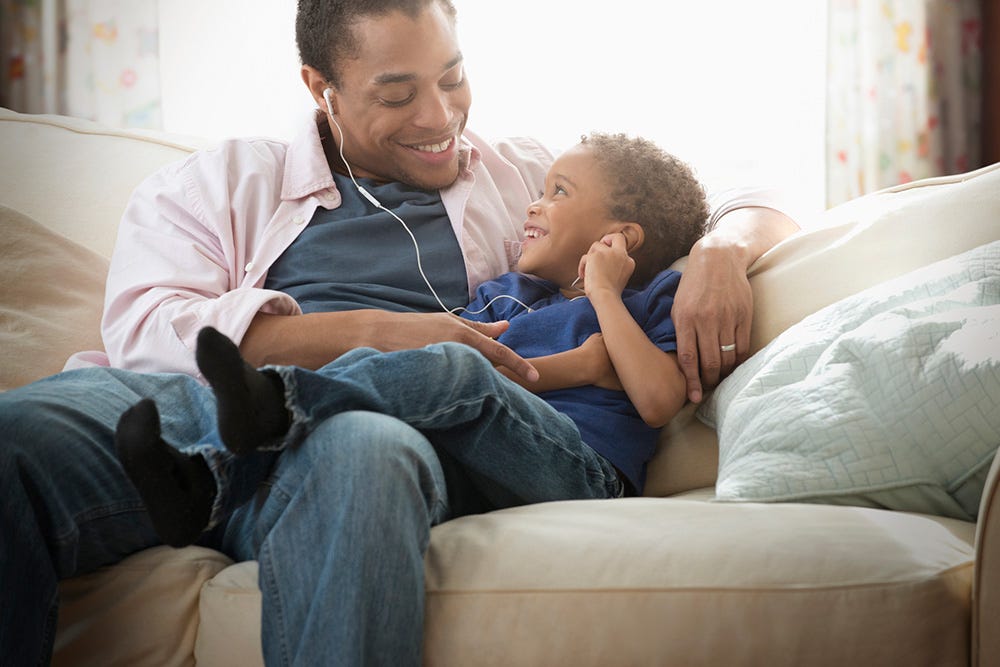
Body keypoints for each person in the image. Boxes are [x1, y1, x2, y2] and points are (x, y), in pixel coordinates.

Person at [0, 1, 800, 665]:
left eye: (452, 78)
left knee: (366, 453)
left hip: (361, 430)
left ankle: (215, 474)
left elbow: (723, 191)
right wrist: (389, 330)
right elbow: (148, 332)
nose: (439, 117)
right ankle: (212, 459)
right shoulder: (221, 182)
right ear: (323, 88)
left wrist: (723, 251)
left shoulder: (520, 176)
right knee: (15, 437)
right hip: (184, 410)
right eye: (396, 95)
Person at [114, 132, 709, 548]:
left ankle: (274, 399)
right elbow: (433, 365)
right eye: (543, 187)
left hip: (580, 472)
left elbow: (657, 400)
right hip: (478, 469)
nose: (534, 201)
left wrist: (604, 296)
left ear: (622, 238)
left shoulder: (648, 301)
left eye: (559, 193)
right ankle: (207, 478)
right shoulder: (508, 293)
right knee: (425, 379)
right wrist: (580, 365)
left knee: (458, 366)